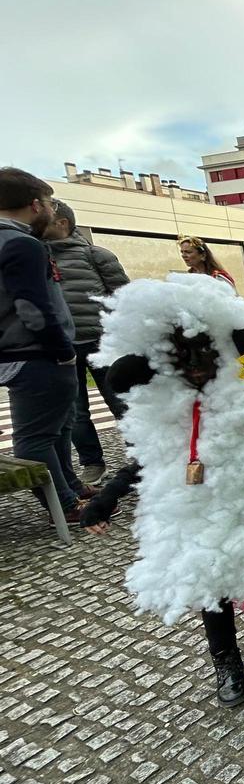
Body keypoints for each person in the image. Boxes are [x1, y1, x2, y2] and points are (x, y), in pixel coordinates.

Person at [86, 272, 244, 707]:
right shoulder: (163, 406)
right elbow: (146, 458)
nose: (196, 362)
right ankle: (226, 660)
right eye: (182, 353)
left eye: (205, 349)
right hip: (198, 508)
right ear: (160, 359)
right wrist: (107, 499)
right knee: (211, 582)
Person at [0, 168, 95, 522]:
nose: (54, 211)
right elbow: (32, 307)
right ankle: (66, 506)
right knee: (37, 435)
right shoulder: (21, 243)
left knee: (60, 423)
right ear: (36, 204)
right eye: (52, 203)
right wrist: (63, 351)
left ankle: (69, 484)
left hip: (17, 352)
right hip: (35, 354)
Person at [41, 199, 129, 484]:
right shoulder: (37, 257)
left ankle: (144, 455)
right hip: (64, 346)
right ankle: (92, 462)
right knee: (77, 411)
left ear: (62, 223)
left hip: (103, 342)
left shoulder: (96, 256)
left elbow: (124, 298)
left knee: (123, 403)